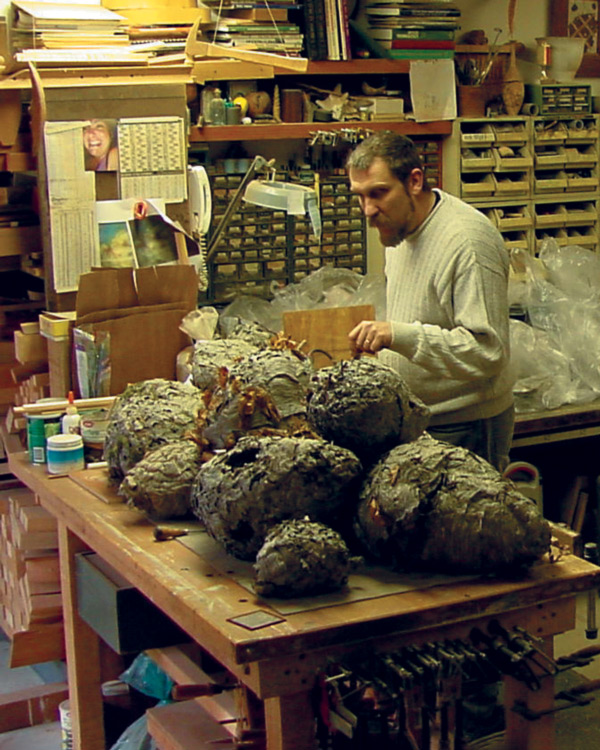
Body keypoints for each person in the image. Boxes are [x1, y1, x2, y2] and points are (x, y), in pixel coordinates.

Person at [346, 131, 514, 471]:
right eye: (360, 196)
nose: (368, 210)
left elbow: (487, 352)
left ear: (415, 181)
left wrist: (397, 335)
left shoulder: (467, 242)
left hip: (464, 425)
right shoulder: (399, 229)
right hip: (421, 419)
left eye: (378, 193)